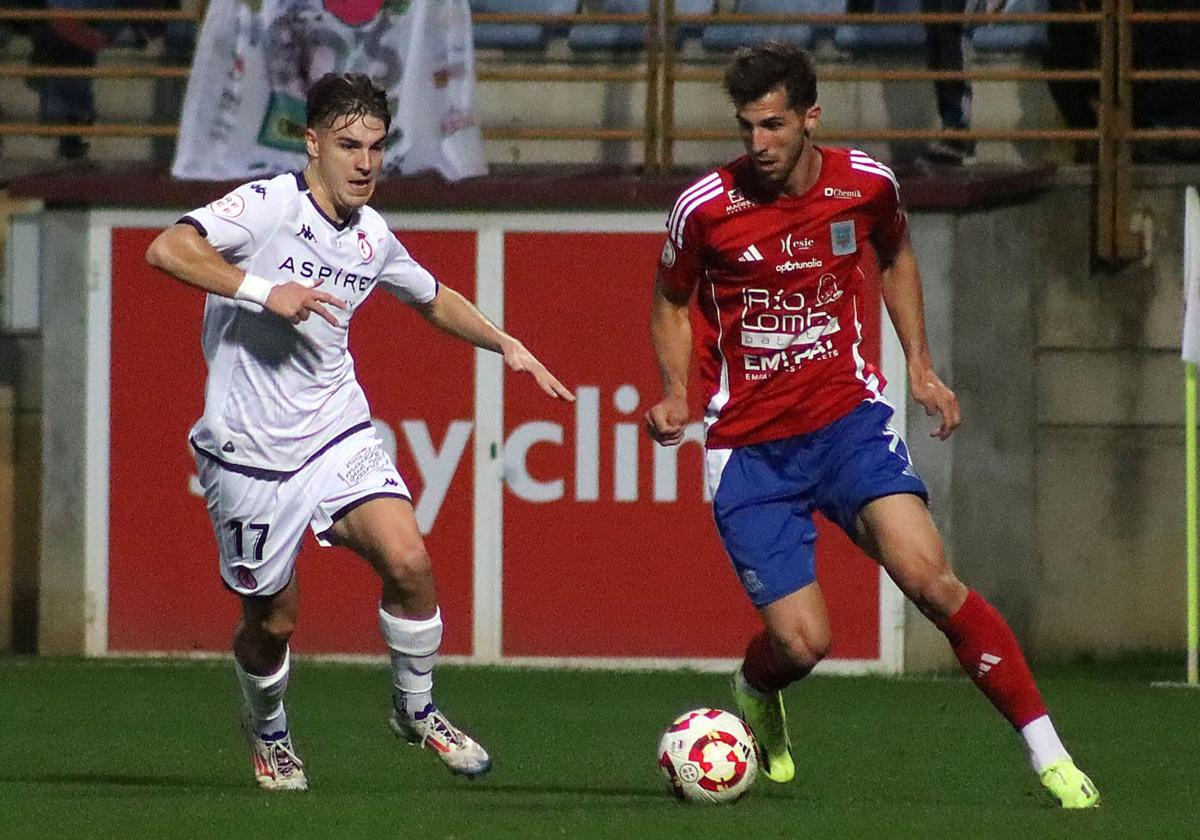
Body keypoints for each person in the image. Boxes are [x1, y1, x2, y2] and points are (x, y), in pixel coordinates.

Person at [644, 42, 1099, 808]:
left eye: (774, 125)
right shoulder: (706, 208)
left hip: (846, 421)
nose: (758, 144)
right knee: (803, 643)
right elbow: (668, 299)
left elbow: (895, 254)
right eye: (747, 126)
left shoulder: (865, 184)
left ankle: (1047, 752)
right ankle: (756, 688)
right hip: (750, 448)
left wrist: (920, 365)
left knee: (930, 578)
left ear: (811, 117)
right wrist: (672, 393)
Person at [145, 72, 574, 791]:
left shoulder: (371, 237)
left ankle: (415, 709)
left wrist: (504, 343)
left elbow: (431, 296)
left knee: (409, 561)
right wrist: (262, 290)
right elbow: (168, 248)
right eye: (348, 145)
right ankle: (271, 731)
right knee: (272, 624)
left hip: (335, 434)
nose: (365, 163)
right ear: (311, 143)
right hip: (249, 456)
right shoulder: (266, 205)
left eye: (376, 147)